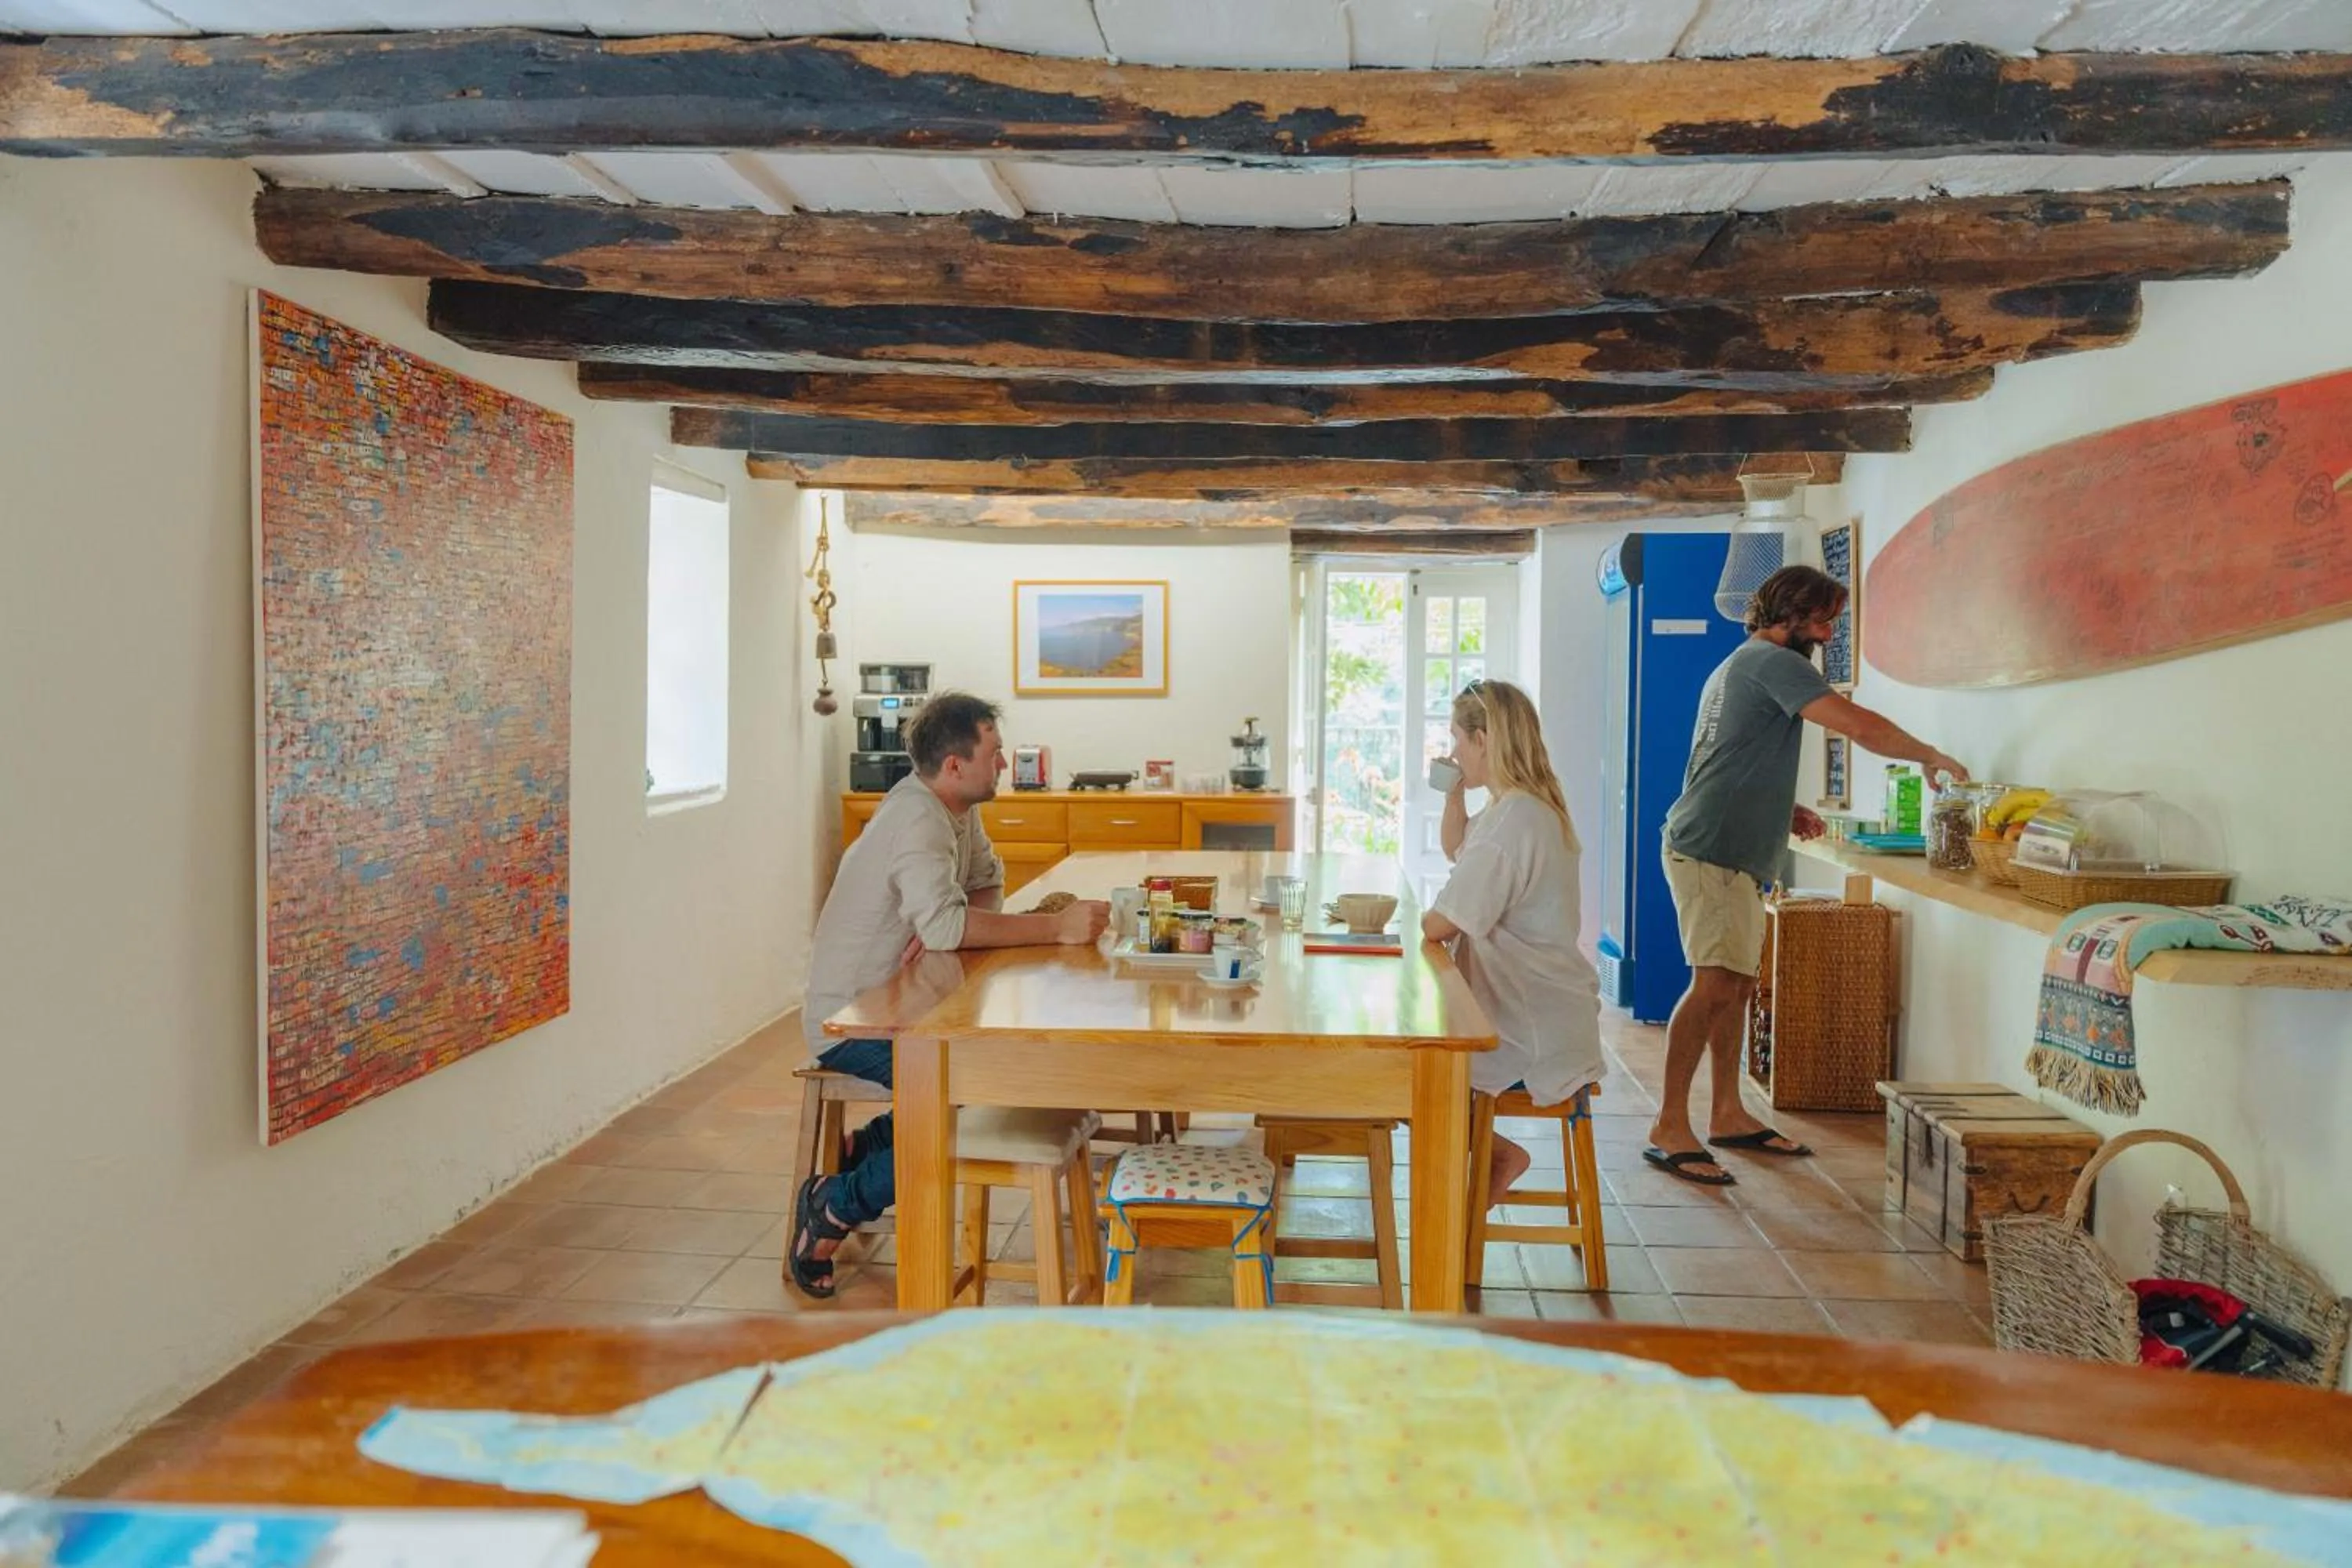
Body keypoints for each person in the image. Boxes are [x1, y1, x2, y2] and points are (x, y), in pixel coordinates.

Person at [1647, 565, 1968, 1187]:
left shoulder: (1738, 665)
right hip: (1712, 850)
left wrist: (1777, 805)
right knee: (1713, 986)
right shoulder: (1776, 664)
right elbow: (1858, 725)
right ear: (1788, 615)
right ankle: (1668, 1125)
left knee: (1735, 986)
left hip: (1722, 845)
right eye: (1820, 620)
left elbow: (1721, 757)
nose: (1826, 633)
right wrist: (1930, 754)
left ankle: (1726, 1112)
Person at [789, 691, 1109, 1297]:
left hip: (912, 1005)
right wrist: (1050, 927)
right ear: (956, 765)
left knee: (982, 1073)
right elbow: (945, 926)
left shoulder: (958, 809)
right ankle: (833, 1206)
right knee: (971, 1085)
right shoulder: (916, 819)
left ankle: (871, 1145)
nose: (1005, 764)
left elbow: (986, 884)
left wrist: (950, 931)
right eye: (995, 752)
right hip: (852, 1022)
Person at [1418, 679, 1606, 1209]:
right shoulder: (1519, 808)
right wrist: (1454, 792)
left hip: (1529, 1029)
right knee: (1420, 1064)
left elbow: (1442, 925)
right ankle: (1486, 1162)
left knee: (1413, 1071)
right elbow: (1459, 848)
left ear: (1484, 739)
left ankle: (1498, 1156)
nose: (1453, 751)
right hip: (1552, 1012)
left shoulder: (1514, 821)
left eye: (1458, 739)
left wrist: (1417, 921)